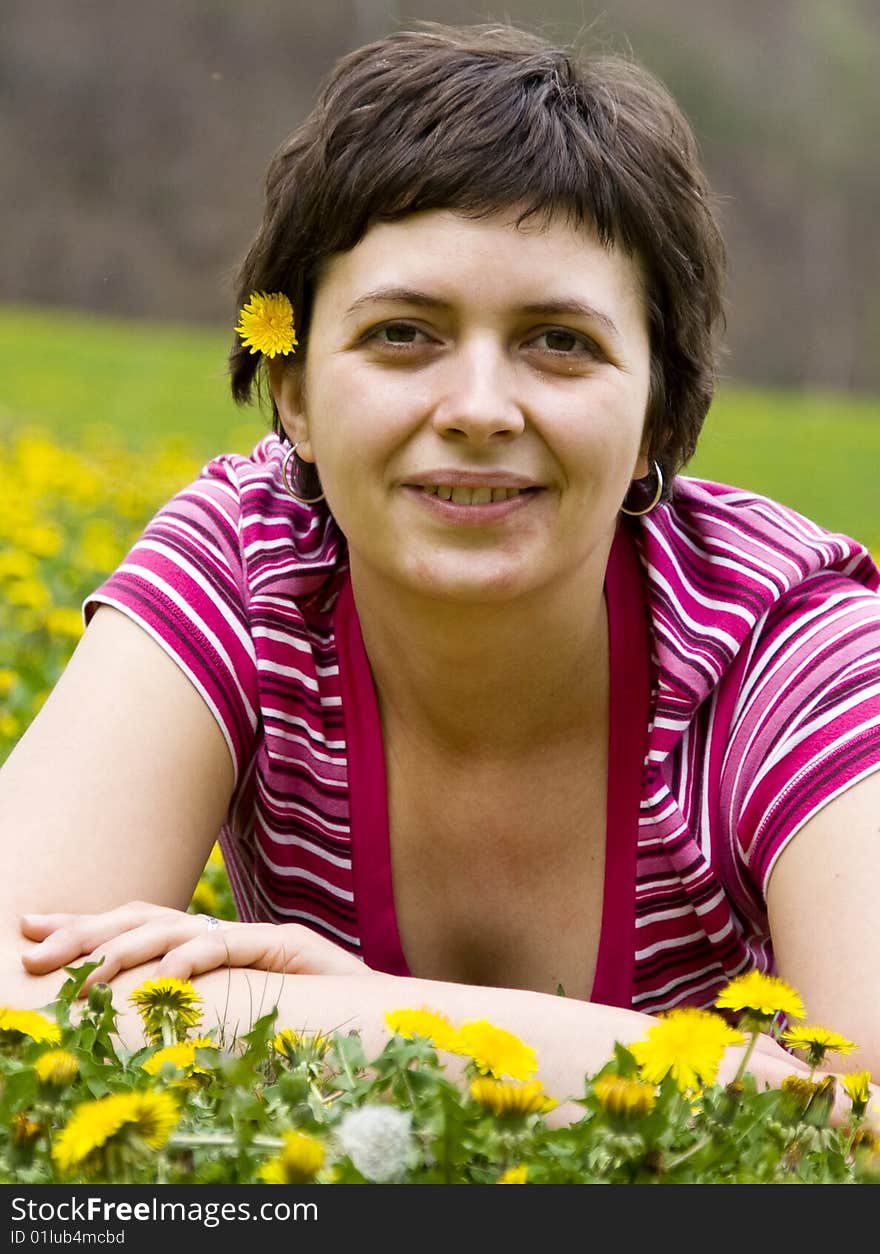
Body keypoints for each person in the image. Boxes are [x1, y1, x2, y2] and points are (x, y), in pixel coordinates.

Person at [2, 21, 879, 1123]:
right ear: (295, 397)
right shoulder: (246, 563)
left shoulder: (790, 647)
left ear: (658, 412)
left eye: (559, 340)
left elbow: (872, 1122)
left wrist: (356, 1017)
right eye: (403, 334)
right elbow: (16, 991)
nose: (476, 410)